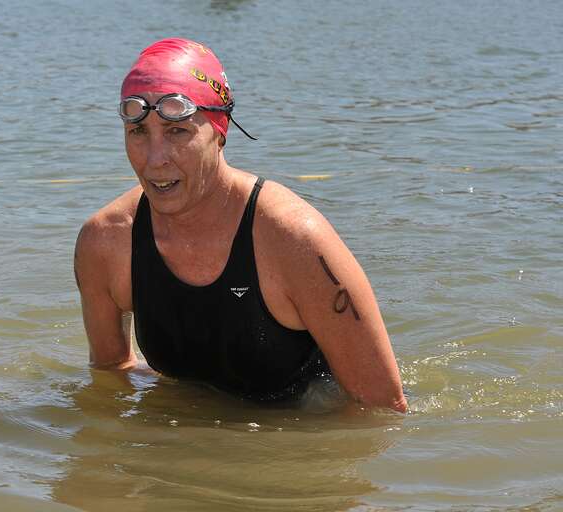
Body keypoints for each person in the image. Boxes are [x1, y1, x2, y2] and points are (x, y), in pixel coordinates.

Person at [74, 38, 407, 412]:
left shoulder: (294, 239)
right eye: (138, 132)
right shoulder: (106, 242)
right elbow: (111, 376)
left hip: (300, 425)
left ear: (220, 132)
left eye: (177, 131)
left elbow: (382, 410)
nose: (155, 160)